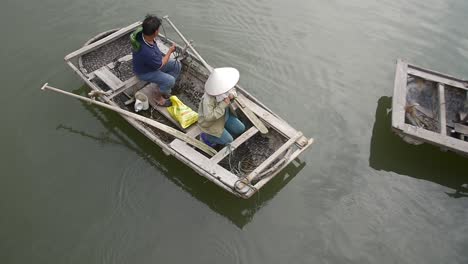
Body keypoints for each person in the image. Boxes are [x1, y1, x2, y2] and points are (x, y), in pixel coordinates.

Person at [132, 15, 181, 106]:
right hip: (145, 72)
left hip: (150, 63)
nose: (159, 30)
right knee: (170, 81)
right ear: (155, 32)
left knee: (177, 65)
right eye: (158, 29)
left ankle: (163, 88)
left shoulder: (141, 35)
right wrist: (170, 51)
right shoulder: (147, 52)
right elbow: (161, 64)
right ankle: (158, 97)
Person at [198, 67, 246, 146]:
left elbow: (233, 90)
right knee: (229, 140)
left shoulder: (225, 86)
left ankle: (223, 130)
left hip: (225, 116)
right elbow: (208, 117)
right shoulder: (208, 99)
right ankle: (206, 137)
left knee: (240, 129)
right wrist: (223, 105)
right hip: (211, 123)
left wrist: (232, 95)